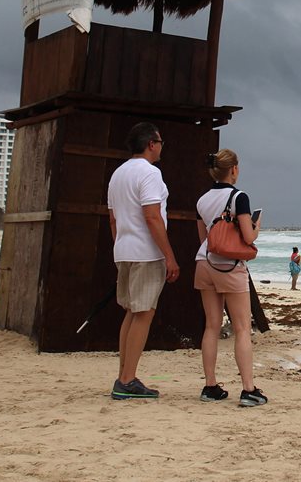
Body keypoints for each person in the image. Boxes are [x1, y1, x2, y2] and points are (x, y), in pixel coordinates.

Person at [107, 122, 178, 400]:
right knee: (143, 313)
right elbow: (152, 216)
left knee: (131, 312)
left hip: (124, 248)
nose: (161, 147)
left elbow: (113, 218)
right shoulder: (150, 173)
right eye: (159, 142)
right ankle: (126, 379)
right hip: (145, 252)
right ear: (151, 143)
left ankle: (124, 374)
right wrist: (169, 255)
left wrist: (119, 245)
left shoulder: (118, 174)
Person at [195, 149, 267, 407]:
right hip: (230, 266)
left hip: (204, 262)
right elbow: (248, 238)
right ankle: (248, 389)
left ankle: (210, 385)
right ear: (233, 169)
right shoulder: (240, 197)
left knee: (211, 326)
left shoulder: (202, 200)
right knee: (242, 328)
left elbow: (204, 238)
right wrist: (257, 226)